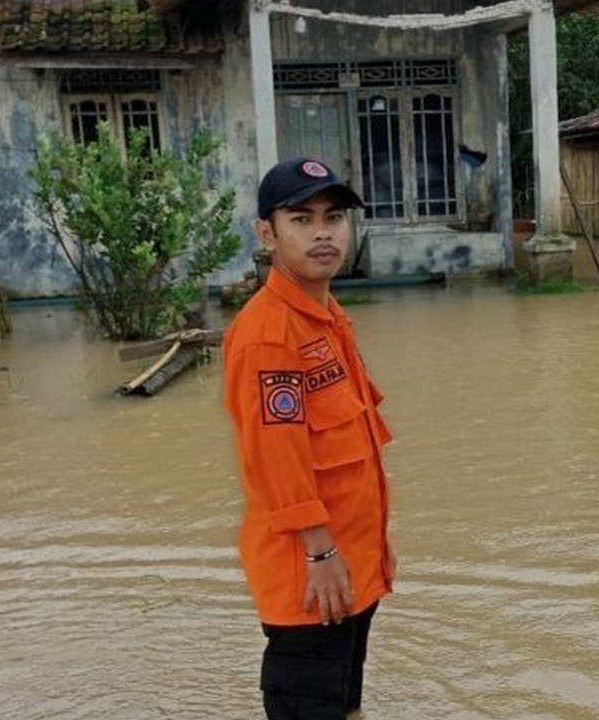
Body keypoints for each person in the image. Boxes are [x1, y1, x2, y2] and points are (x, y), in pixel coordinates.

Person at [222, 157, 395, 720]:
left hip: (351, 570)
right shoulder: (269, 335)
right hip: (312, 576)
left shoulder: (327, 316)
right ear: (267, 234)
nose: (323, 232)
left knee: (345, 707)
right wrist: (320, 551)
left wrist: (359, 552)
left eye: (334, 216)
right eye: (301, 218)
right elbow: (277, 457)